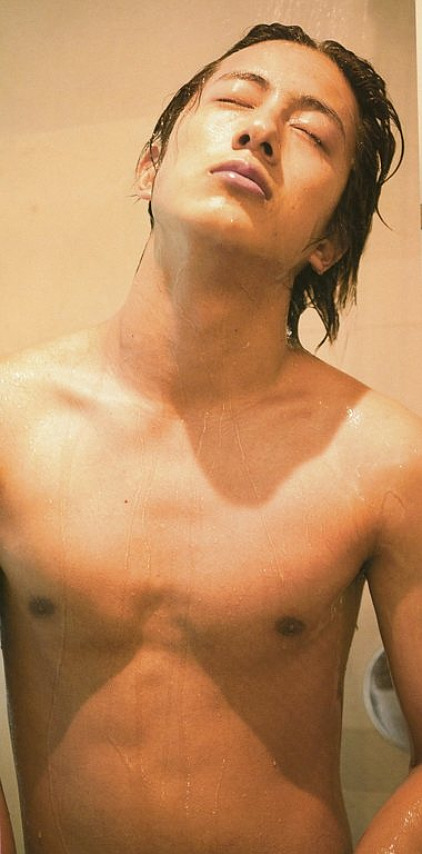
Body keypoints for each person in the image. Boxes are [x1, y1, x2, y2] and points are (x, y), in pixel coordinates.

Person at [0, 21, 421, 854]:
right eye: (235, 99)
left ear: (329, 243)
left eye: (312, 135)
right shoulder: (11, 426)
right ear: (149, 167)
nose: (261, 131)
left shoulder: (381, 458)